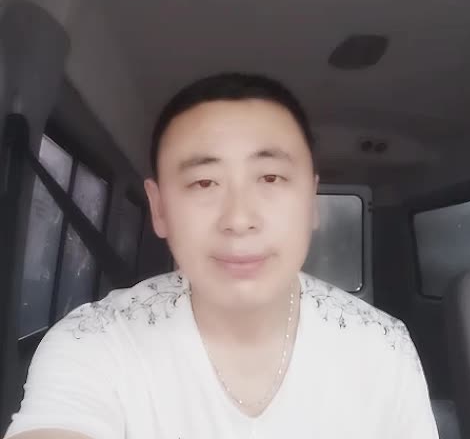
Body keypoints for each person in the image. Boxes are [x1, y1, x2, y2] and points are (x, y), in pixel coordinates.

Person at [4, 73, 439, 439]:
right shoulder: (94, 342)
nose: (239, 219)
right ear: (159, 209)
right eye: (204, 183)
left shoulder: (383, 347)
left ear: (311, 202)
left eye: (270, 178)